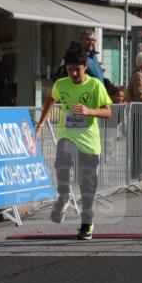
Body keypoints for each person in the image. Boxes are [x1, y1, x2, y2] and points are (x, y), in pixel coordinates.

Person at [35, 46, 113, 241]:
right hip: (67, 134)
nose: (74, 74)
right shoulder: (61, 84)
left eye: (77, 69)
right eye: (70, 70)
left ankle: (86, 223)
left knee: (86, 184)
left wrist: (89, 111)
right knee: (62, 162)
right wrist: (41, 122)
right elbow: (50, 98)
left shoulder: (95, 86)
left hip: (88, 140)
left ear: (85, 66)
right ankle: (63, 198)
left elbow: (108, 112)